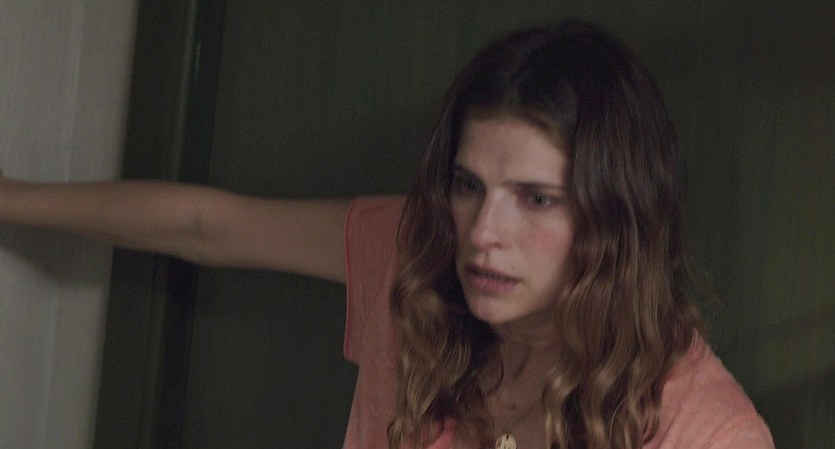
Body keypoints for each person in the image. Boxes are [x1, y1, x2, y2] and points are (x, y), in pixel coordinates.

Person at [0, 20, 772, 449]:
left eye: (536, 199)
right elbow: (213, 226)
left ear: (618, 215)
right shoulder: (421, 257)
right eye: (467, 186)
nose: (483, 234)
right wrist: (11, 200)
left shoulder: (710, 433)